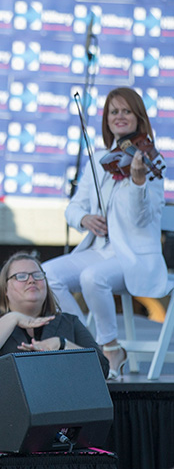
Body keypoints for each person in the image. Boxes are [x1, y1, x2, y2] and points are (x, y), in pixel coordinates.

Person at [43, 87, 167, 380]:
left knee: (92, 277)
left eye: (126, 111)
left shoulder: (150, 161)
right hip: (99, 250)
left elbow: (141, 219)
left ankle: (110, 348)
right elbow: (73, 208)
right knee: (46, 275)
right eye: (114, 112)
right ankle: (86, 346)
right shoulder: (100, 161)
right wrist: (85, 219)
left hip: (135, 256)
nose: (119, 116)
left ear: (138, 118)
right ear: (107, 120)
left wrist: (138, 183)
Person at [0, 251, 109, 376]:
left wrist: (61, 345)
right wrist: (13, 318)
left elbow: (102, 368)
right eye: (21, 276)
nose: (31, 280)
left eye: (37, 275)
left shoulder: (68, 322)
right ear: (5, 289)